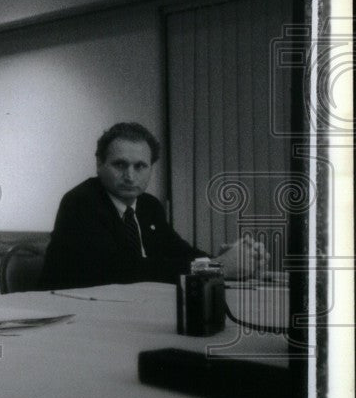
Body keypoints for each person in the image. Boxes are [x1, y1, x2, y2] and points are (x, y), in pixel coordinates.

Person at [39, 121, 268, 290]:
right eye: (120, 164)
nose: (130, 176)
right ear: (99, 164)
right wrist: (216, 268)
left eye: (140, 166)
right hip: (71, 311)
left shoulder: (149, 205)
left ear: (151, 168)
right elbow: (123, 271)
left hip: (126, 305)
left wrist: (216, 259)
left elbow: (177, 249)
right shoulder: (81, 202)